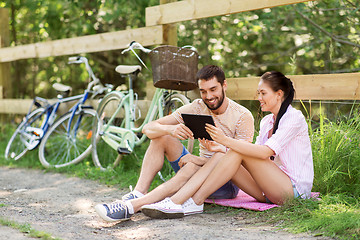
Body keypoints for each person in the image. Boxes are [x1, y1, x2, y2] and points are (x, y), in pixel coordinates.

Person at [140, 71, 314, 219]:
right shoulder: (267, 121)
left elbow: (264, 153)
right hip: (266, 191)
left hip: (292, 190)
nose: (258, 98)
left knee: (237, 148)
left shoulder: (294, 118)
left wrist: (224, 141)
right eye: (258, 93)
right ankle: (179, 201)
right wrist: (221, 150)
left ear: (279, 94)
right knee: (235, 150)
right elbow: (256, 157)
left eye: (263, 93)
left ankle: (193, 201)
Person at [94, 65, 255, 222]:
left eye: (213, 89)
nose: (208, 96)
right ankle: (139, 193)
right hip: (196, 170)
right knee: (162, 136)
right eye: (203, 91)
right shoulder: (197, 107)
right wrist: (170, 130)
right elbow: (148, 129)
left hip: (224, 182)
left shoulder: (242, 116)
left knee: (194, 165)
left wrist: (197, 160)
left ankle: (131, 206)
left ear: (224, 85)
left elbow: (240, 162)